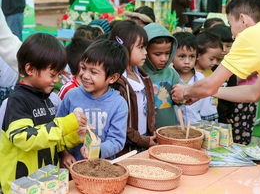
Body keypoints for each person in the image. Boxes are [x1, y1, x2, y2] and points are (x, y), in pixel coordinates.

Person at [0, 33, 87, 194]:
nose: (56, 80)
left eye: (58, 75)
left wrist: (74, 137)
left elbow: (48, 142)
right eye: (52, 75)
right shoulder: (17, 102)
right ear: (30, 69)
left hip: (44, 185)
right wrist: (65, 123)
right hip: (20, 187)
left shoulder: (46, 100)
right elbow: (25, 139)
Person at [56, 39, 128, 168]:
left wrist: (97, 150)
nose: (85, 75)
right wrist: (64, 154)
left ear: (113, 78)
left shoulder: (119, 104)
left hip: (101, 168)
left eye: (94, 72)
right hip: (71, 167)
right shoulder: (71, 96)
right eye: (83, 68)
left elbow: (117, 140)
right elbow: (57, 130)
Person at [108, 20, 156, 156]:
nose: (146, 52)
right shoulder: (115, 81)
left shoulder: (142, 76)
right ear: (123, 47)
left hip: (144, 140)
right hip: (125, 149)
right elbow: (119, 125)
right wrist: (142, 140)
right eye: (140, 47)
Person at [141, 23, 179, 129]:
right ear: (145, 51)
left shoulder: (171, 73)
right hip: (145, 134)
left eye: (168, 53)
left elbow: (179, 100)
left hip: (168, 130)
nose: (164, 58)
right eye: (157, 54)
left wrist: (182, 97)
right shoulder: (138, 74)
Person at [172, 32, 205, 125]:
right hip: (174, 129)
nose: (187, 61)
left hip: (196, 128)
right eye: (182, 56)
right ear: (171, 56)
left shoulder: (200, 78)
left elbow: (206, 108)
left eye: (192, 57)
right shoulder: (168, 78)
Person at [194, 30, 222, 121]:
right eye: (211, 58)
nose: (214, 62)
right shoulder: (192, 75)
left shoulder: (210, 72)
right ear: (198, 55)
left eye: (217, 59)